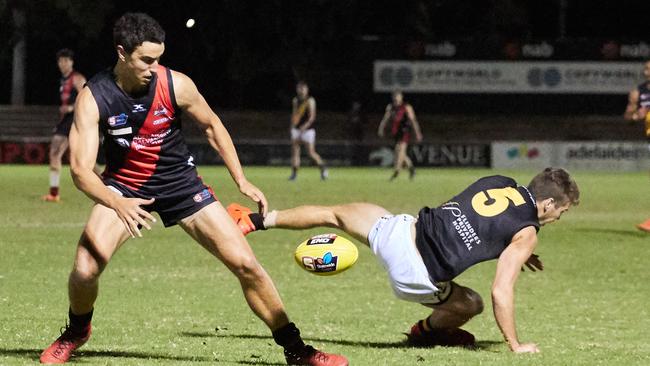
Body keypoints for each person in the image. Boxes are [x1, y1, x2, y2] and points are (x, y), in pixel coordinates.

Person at [39, 13, 347, 366]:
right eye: (147, 59)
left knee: (247, 264)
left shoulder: (177, 85)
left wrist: (241, 179)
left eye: (159, 58)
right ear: (122, 53)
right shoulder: (94, 97)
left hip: (181, 185)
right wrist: (116, 202)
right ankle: (76, 331)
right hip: (123, 186)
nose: (155, 67)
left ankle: (297, 350)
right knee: (84, 268)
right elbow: (80, 170)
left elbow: (213, 126)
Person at [228, 168, 580, 353]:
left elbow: (485, 219)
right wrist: (515, 345)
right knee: (471, 304)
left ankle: (254, 220)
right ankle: (424, 332)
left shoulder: (499, 181)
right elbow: (501, 290)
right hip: (417, 273)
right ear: (548, 204)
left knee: (333, 213)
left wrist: (519, 248)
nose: (557, 219)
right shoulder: (528, 229)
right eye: (560, 212)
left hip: (403, 231)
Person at [42, 49, 87, 202]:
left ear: (72, 62)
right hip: (66, 120)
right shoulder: (62, 80)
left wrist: (70, 108)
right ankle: (54, 193)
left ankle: (54, 193)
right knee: (81, 159)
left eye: (66, 61)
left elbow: (86, 98)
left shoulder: (77, 78)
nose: (63, 64)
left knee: (55, 153)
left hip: (74, 120)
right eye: (61, 61)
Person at [623, 60, 650, 232]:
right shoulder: (637, 92)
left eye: (649, 68)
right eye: (646, 68)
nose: (646, 71)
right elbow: (628, 116)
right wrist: (635, 117)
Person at [377, 91, 423, 181]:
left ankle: (396, 172)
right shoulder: (391, 107)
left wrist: (417, 133)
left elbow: (413, 120)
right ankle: (411, 169)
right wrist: (381, 128)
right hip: (396, 133)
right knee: (401, 154)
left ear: (401, 98)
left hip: (405, 132)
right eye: (394, 97)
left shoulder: (406, 107)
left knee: (399, 151)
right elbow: (385, 119)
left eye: (398, 97)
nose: (396, 99)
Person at [289, 81, 328, 181]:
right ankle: (294, 174)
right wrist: (293, 127)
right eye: (299, 88)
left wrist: (304, 127)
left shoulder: (310, 100)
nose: (301, 90)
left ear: (307, 90)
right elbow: (294, 115)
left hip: (308, 130)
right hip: (297, 129)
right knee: (295, 151)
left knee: (311, 153)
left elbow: (312, 117)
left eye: (303, 88)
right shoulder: (295, 100)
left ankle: (323, 168)